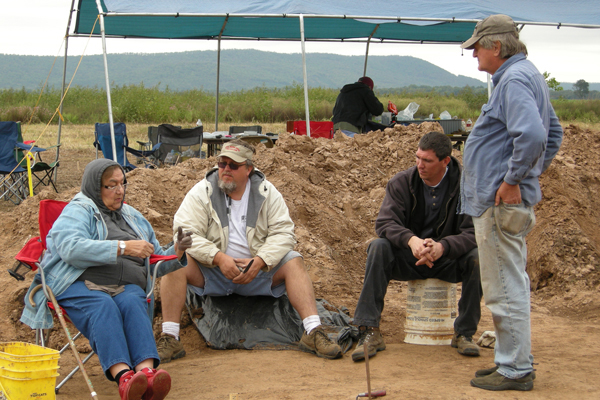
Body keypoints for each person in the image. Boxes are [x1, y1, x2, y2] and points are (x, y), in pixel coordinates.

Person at [21, 159, 192, 400]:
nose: (120, 191)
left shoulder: (132, 216)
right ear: (95, 186)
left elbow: (154, 258)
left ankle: (147, 375)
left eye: (122, 184)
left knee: (134, 302)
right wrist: (122, 247)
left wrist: (178, 251)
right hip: (78, 282)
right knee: (103, 305)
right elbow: (70, 248)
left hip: (125, 286)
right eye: (111, 185)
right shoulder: (78, 210)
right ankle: (124, 377)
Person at [156, 139, 342, 361]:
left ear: (248, 169)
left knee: (294, 261)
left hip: (257, 272)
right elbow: (184, 233)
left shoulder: (267, 193)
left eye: (233, 166)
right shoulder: (202, 192)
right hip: (212, 271)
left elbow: (284, 233)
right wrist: (218, 258)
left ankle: (313, 331)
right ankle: (170, 337)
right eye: (222, 164)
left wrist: (261, 260)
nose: (225, 170)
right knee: (174, 258)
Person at [459, 14, 563, 391]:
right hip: (502, 199)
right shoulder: (528, 75)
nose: (475, 56)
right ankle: (510, 360)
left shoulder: (514, 79)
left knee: (504, 286)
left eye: (477, 49)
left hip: (499, 202)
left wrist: (513, 179)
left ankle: (515, 369)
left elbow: (536, 134)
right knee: (507, 282)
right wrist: (529, 173)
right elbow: (554, 132)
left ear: (496, 47)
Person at [351, 131, 481, 362]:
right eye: (417, 158)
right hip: (410, 258)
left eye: (427, 161)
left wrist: (443, 247)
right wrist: (411, 241)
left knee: (477, 257)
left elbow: (475, 233)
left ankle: (464, 333)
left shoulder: (467, 186)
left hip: (447, 259)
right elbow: (385, 222)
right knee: (379, 247)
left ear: (445, 162)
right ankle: (369, 331)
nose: (420, 165)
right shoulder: (402, 182)